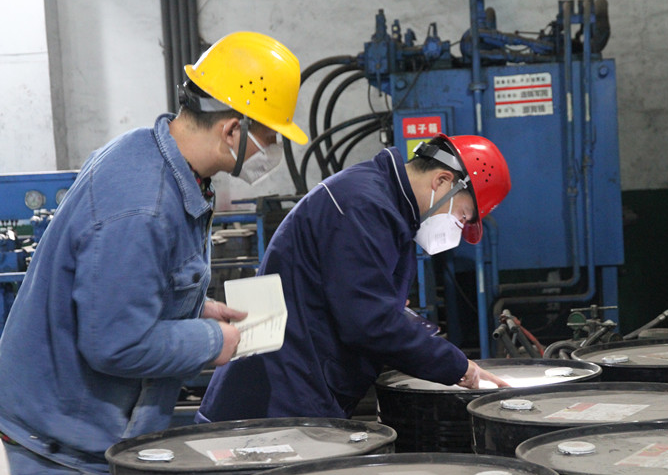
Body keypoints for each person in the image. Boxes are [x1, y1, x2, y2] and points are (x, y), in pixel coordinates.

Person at [0, 31, 308, 475]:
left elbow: (125, 286)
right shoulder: (144, 204)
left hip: (79, 434)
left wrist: (195, 306)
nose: (266, 154)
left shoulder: (151, 155)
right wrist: (214, 342)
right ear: (232, 130)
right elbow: (115, 342)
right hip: (66, 453)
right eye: (268, 138)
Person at [197, 133, 512, 422]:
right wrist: (457, 366)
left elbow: (366, 305)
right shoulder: (363, 207)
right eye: (461, 216)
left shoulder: (386, 210)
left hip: (296, 387)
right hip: (273, 404)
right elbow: (370, 321)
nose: (457, 229)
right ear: (443, 180)